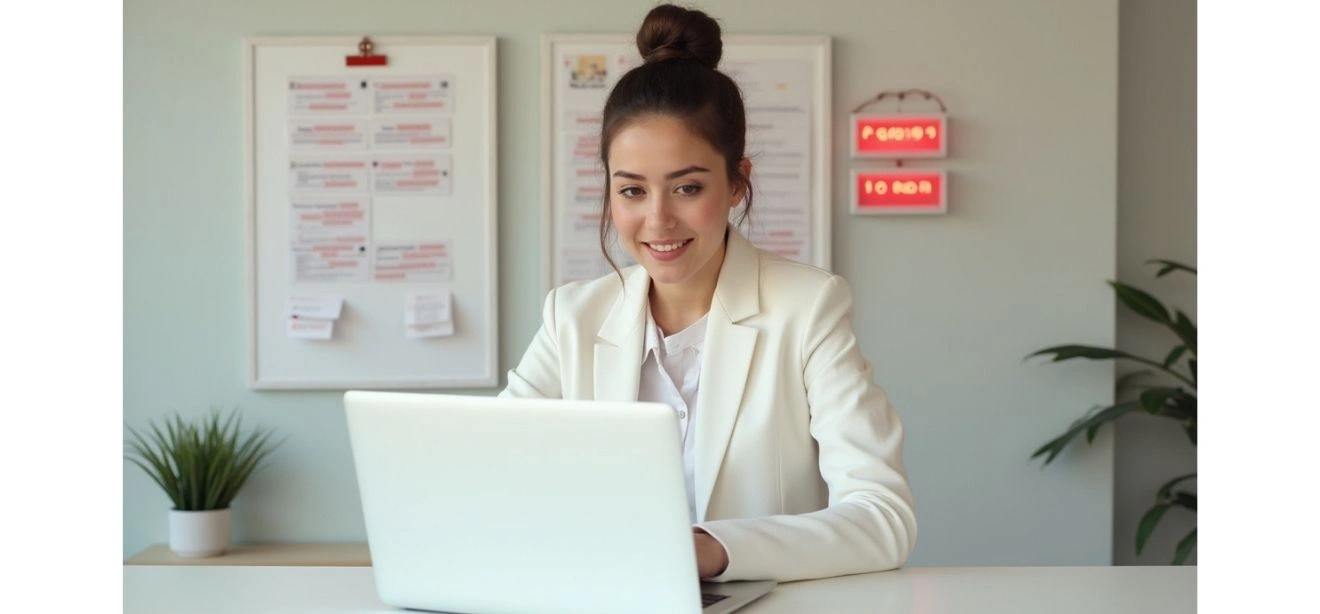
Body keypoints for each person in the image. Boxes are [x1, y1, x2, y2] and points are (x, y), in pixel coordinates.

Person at [501, 3, 917, 583]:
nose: (658, 220)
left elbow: (882, 520)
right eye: (632, 191)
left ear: (737, 181)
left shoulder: (808, 308)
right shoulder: (572, 317)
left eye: (687, 187)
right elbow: (491, 476)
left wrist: (710, 550)